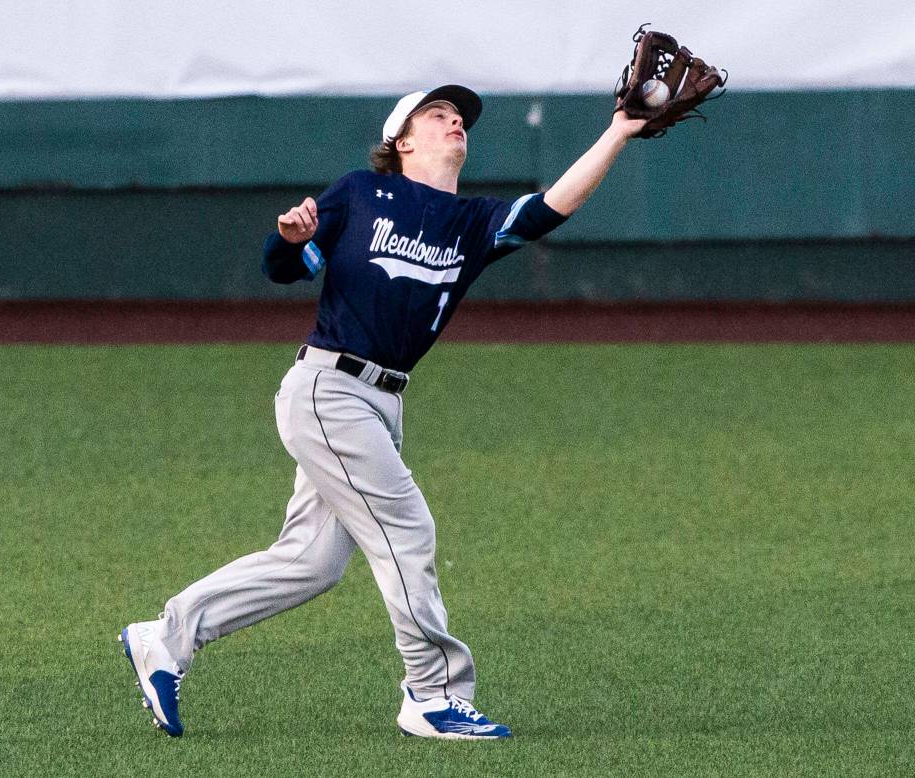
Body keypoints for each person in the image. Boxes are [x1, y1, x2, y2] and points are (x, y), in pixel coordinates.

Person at [119, 85, 646, 740]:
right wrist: (289, 238)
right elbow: (283, 266)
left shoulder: (471, 223)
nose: (455, 122)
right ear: (402, 141)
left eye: (460, 118)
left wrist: (619, 131)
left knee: (311, 562)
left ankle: (164, 638)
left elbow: (549, 209)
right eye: (437, 115)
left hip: (382, 402)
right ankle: (432, 693)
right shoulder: (360, 195)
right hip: (329, 389)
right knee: (407, 527)